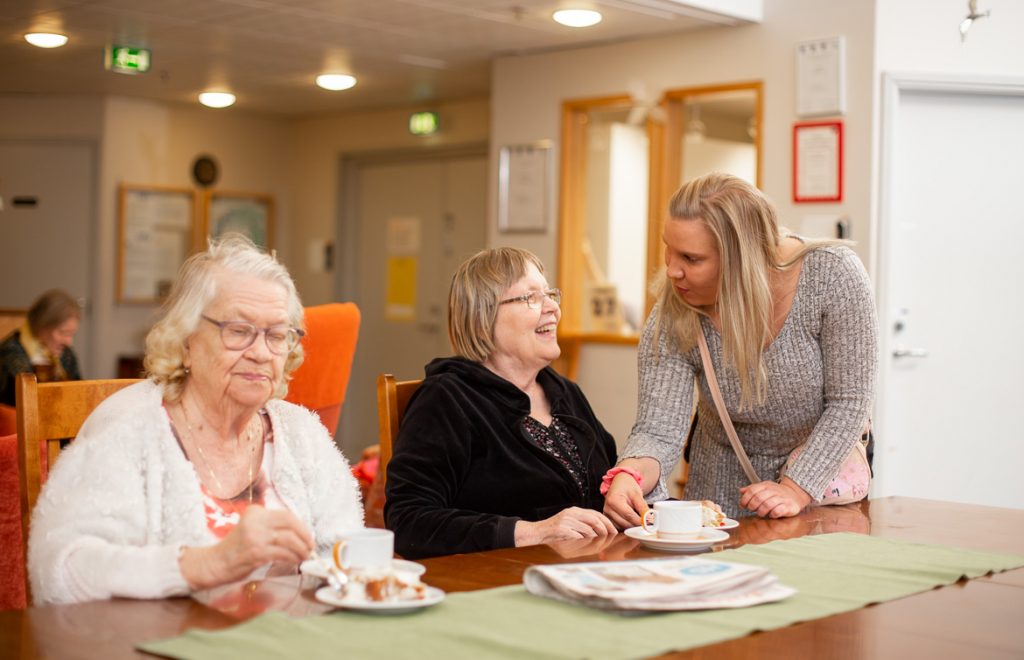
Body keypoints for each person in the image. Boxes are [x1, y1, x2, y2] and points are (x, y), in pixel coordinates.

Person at [28, 235, 364, 604]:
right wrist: (205, 564)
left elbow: (350, 551)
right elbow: (58, 571)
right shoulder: (129, 426)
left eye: (277, 335)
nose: (260, 352)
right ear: (186, 341)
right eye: (238, 331)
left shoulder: (301, 433)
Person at [603, 173, 877, 524]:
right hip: (718, 483)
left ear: (742, 258)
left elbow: (849, 402)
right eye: (668, 249)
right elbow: (657, 429)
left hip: (819, 490)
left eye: (691, 258)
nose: (672, 271)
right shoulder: (676, 309)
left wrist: (795, 489)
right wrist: (629, 474)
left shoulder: (832, 276)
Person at [384, 247, 618, 559]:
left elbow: (608, 485)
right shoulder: (447, 399)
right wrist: (533, 532)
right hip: (497, 585)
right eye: (531, 298)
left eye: (550, 294)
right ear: (484, 316)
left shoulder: (564, 392)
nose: (552, 309)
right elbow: (408, 522)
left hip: (587, 573)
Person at [0, 289, 82, 406]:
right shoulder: (10, 352)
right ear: (42, 326)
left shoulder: (66, 354)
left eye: (71, 334)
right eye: (63, 333)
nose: (69, 342)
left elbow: (79, 394)